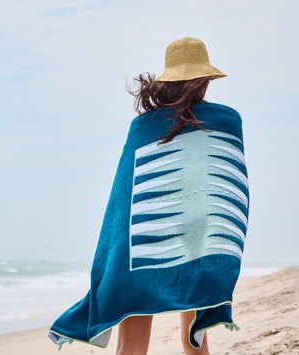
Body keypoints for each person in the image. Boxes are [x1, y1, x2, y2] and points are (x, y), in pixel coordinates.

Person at [48, 37, 249, 355]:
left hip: (143, 248)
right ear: (205, 80)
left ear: (170, 80)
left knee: (131, 347)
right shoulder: (226, 120)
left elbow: (124, 202)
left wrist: (115, 256)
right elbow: (227, 191)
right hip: (198, 241)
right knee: (195, 341)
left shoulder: (142, 127)